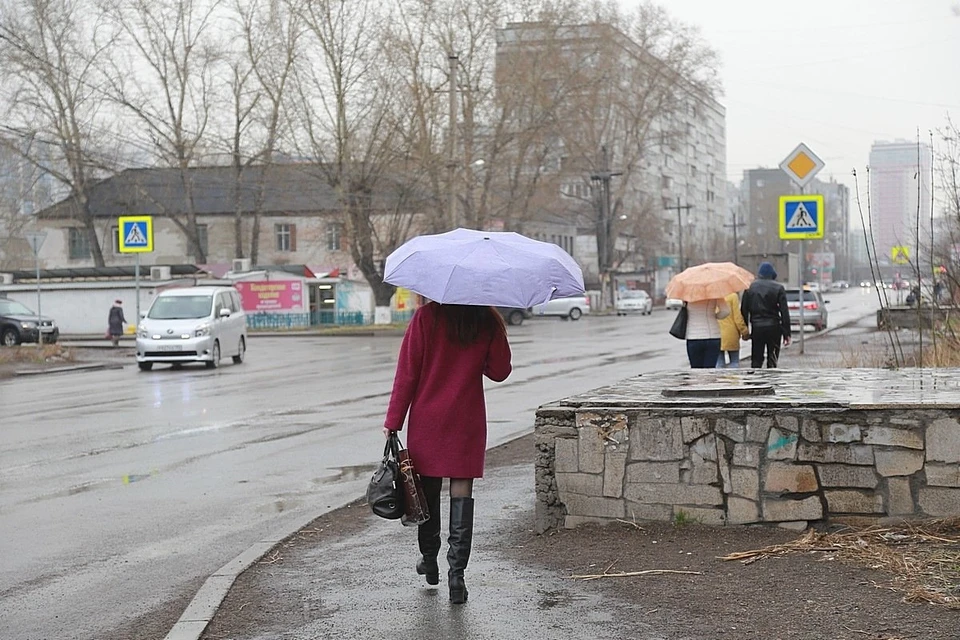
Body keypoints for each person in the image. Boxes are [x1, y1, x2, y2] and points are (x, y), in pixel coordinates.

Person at [382, 302, 512, 605]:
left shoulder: (427, 317)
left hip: (429, 419)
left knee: (425, 492)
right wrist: (497, 327)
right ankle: (457, 576)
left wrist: (393, 421)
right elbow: (500, 371)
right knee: (461, 490)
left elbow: (408, 373)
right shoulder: (485, 319)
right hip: (467, 419)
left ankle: (429, 560)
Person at [740, 262, 791, 368]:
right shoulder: (778, 288)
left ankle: (756, 381)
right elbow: (784, 312)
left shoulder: (750, 288)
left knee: (756, 359)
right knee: (772, 359)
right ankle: (772, 382)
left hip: (757, 327)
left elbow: (744, 310)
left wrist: (745, 329)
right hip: (774, 327)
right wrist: (787, 333)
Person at [685, 297, 730, 368]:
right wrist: (714, 316)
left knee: (696, 369)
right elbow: (725, 311)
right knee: (710, 369)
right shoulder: (715, 294)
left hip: (693, 336)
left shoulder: (688, 296)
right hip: (712, 335)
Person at [717, 291, 749, 368]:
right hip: (731, 334)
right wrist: (745, 332)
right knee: (734, 362)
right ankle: (733, 379)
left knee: (719, 363)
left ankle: (720, 379)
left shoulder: (713, 296)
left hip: (716, 334)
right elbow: (737, 318)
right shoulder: (732, 296)